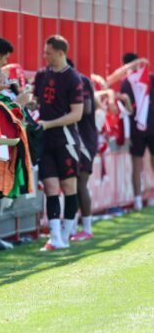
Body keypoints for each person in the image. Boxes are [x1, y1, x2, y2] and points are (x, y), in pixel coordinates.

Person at [34, 35, 84, 251]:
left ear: (61, 53)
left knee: (69, 187)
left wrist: (49, 123)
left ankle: (65, 233)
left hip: (66, 140)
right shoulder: (41, 75)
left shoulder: (73, 78)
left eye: (49, 52)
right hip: (44, 140)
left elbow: (77, 114)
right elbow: (37, 102)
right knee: (51, 187)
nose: (45, 56)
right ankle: (54, 237)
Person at [119, 53, 154, 210]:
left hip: (136, 129)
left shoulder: (125, 82)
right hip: (151, 126)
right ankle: (148, 198)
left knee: (137, 165)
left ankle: (138, 200)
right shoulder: (149, 78)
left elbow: (125, 109)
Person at [67, 59, 97, 241]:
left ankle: (87, 228)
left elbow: (86, 109)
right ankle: (71, 228)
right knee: (70, 184)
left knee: (80, 184)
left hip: (84, 139)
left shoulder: (80, 80)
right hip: (72, 138)